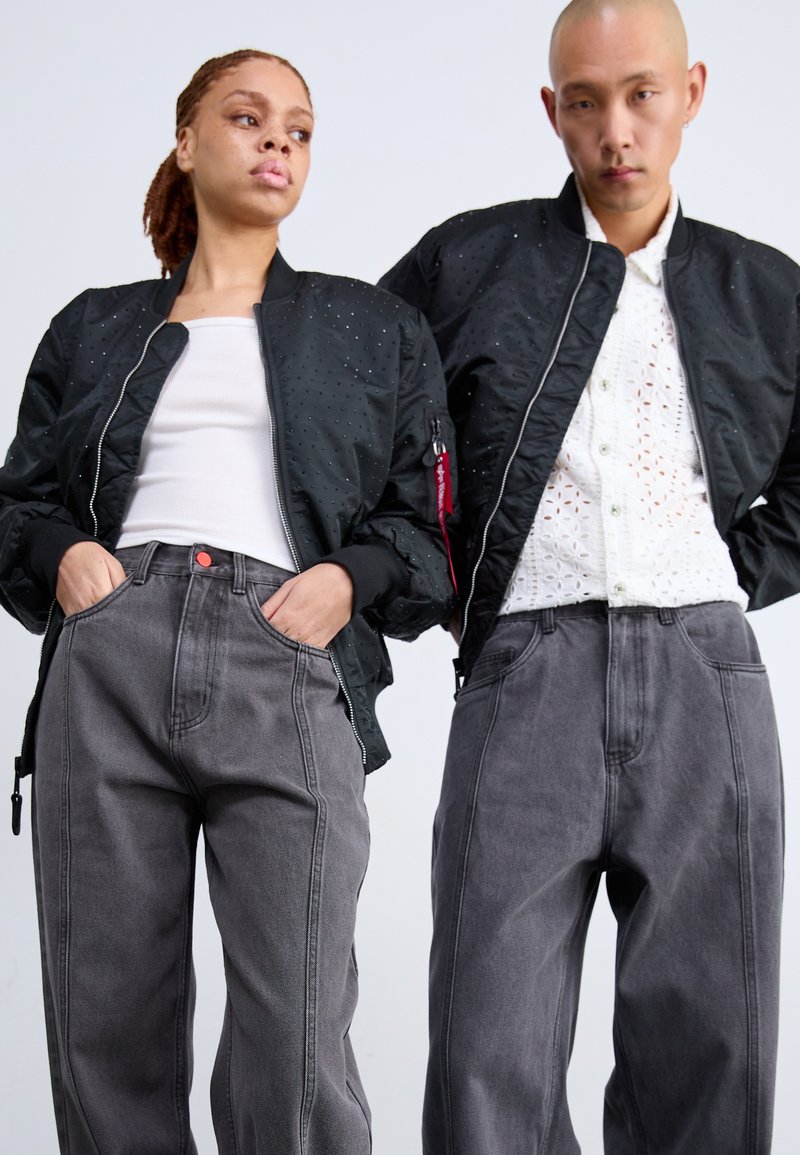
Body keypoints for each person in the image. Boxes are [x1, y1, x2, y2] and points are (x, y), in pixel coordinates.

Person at [0, 48, 455, 1155]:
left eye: (298, 129)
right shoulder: (93, 325)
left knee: (294, 1042)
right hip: (109, 655)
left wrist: (346, 582)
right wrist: (67, 559)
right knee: (106, 1032)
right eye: (248, 119)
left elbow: (429, 528)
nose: (277, 143)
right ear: (186, 140)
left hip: (286, 655)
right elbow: (17, 503)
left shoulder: (372, 329)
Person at [381, 1, 795, 1151]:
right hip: (526, 666)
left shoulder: (762, 290)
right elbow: (353, 416)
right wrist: (434, 582)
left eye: (641, 93)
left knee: (709, 1048)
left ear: (690, 92)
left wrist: (732, 565)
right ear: (550, 111)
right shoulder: (466, 262)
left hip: (706, 676)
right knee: (485, 1050)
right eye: (584, 101)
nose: (616, 129)